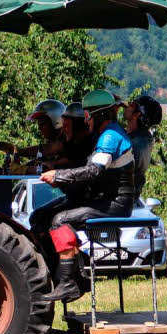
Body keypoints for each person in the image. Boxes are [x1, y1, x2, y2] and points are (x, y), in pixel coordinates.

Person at [30, 89, 136, 302]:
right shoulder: (108, 134)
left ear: (98, 115)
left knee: (59, 220)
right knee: (42, 217)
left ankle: (70, 281)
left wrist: (59, 174)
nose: (85, 121)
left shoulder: (111, 136)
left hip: (116, 203)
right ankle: (68, 275)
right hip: (104, 200)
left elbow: (93, 171)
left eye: (87, 116)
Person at [123, 95, 162, 201]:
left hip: (121, 200)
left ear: (137, 114)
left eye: (132, 104)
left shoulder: (136, 144)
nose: (127, 105)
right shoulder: (142, 138)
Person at [46, 101, 96, 170]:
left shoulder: (87, 146)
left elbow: (67, 162)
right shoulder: (74, 143)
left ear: (77, 126)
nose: (63, 130)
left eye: (66, 126)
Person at [17, 99, 66, 166]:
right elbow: (39, 162)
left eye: (42, 124)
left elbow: (47, 149)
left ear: (56, 121)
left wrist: (18, 151)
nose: (39, 128)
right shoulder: (51, 146)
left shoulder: (67, 143)